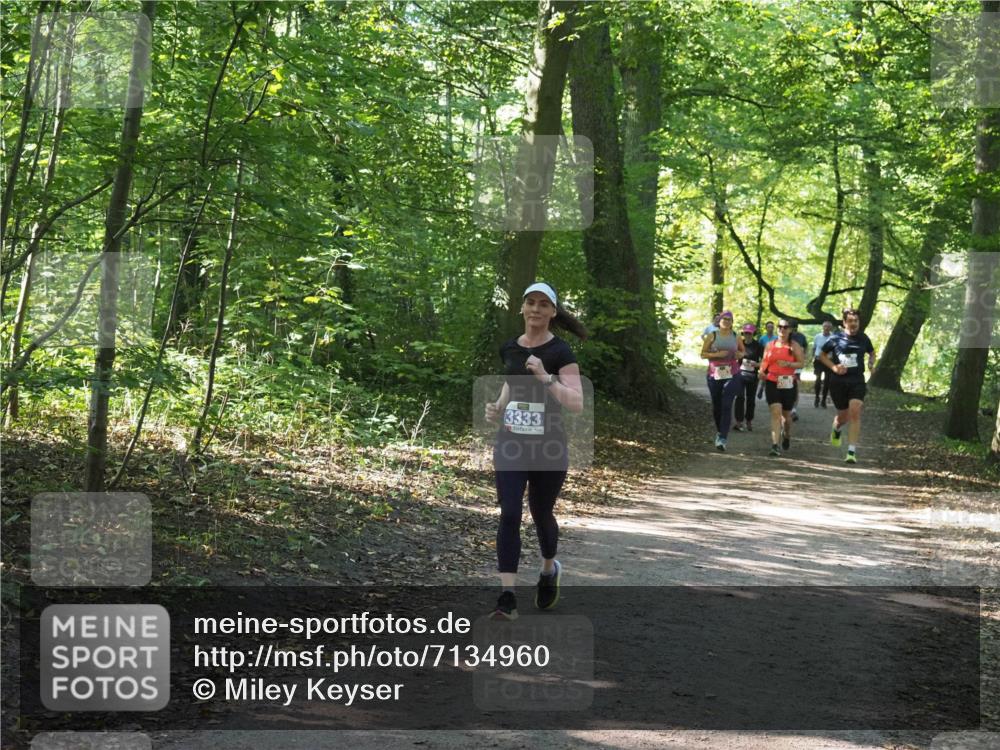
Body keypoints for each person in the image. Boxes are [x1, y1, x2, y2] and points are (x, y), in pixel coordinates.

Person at [484, 282, 586, 620]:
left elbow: (576, 403)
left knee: (541, 512)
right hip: (511, 443)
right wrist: (498, 407)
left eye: (544, 304)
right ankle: (507, 598)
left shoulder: (561, 352)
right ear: (522, 307)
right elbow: (511, 382)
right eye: (531, 302)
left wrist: (546, 378)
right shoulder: (509, 348)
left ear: (553, 312)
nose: (536, 309)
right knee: (510, 513)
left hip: (549, 447)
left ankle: (548, 569)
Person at [818, 308, 876, 464]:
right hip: (838, 382)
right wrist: (834, 367)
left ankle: (851, 452)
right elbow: (821, 355)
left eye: (856, 321)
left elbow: (871, 353)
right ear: (844, 323)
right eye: (850, 321)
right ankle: (836, 427)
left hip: (857, 380)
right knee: (843, 417)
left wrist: (871, 363)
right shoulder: (835, 338)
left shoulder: (864, 338)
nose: (853, 323)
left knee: (855, 412)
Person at [759, 319, 807, 456]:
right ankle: (775, 445)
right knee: (776, 412)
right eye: (779, 326)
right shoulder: (770, 345)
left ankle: (786, 434)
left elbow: (801, 363)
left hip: (788, 382)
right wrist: (761, 371)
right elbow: (765, 361)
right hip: (772, 381)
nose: (782, 329)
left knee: (786, 417)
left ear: (790, 330)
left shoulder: (794, 346)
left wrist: (788, 364)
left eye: (785, 327)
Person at [700, 310, 745, 451]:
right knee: (717, 405)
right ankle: (720, 431)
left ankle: (723, 438)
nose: (726, 321)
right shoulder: (712, 336)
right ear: (719, 321)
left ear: (732, 322)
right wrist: (717, 354)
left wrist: (740, 354)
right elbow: (702, 354)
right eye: (724, 319)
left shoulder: (736, 336)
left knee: (726, 404)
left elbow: (743, 351)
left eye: (729, 319)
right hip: (714, 374)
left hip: (732, 373)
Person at [733, 324, 763, 432]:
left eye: (750, 333)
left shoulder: (758, 346)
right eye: (746, 333)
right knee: (739, 397)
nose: (747, 335)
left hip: (752, 376)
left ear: (753, 334)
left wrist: (757, 364)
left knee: (751, 399)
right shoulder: (739, 344)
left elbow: (765, 361)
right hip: (739, 374)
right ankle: (739, 422)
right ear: (743, 333)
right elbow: (732, 357)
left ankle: (749, 420)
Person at [788, 321, 809, 422]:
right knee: (785, 386)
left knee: (795, 386)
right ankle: (786, 409)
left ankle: (793, 410)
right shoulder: (785, 336)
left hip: (797, 365)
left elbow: (806, 347)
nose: (793, 330)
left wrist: (804, 356)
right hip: (786, 365)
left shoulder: (801, 337)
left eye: (794, 327)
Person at [812, 320, 834, 408]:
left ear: (831, 328)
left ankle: (824, 400)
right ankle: (817, 397)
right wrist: (813, 357)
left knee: (827, 381)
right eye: (825, 326)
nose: (826, 328)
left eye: (828, 327)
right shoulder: (817, 336)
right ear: (822, 327)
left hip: (829, 361)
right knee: (818, 379)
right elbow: (814, 348)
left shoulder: (833, 337)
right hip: (818, 360)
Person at [755, 321, 778, 399]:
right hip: (765, 360)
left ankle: (766, 389)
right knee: (764, 374)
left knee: (770, 375)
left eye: (772, 327)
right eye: (769, 327)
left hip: (774, 360)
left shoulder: (776, 338)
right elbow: (758, 349)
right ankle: (761, 387)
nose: (770, 328)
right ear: (766, 328)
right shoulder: (762, 338)